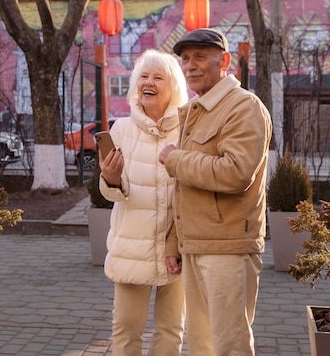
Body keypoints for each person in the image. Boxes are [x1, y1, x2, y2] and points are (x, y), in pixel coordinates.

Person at [159, 28, 272, 356]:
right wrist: (174, 243)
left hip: (228, 248)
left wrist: (176, 159)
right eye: (185, 58)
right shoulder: (198, 110)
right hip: (196, 245)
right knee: (202, 346)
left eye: (199, 57)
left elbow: (236, 173)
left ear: (223, 61)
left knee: (229, 346)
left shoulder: (243, 107)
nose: (190, 65)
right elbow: (184, 190)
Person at [99, 49, 189, 356]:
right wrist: (110, 178)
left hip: (176, 248)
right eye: (143, 77)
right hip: (132, 247)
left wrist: (176, 242)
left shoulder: (187, 129)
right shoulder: (122, 129)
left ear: (173, 86)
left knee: (171, 330)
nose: (148, 82)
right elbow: (114, 193)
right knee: (125, 329)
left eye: (158, 77)